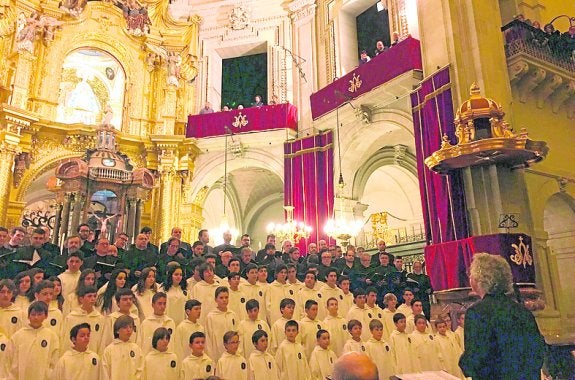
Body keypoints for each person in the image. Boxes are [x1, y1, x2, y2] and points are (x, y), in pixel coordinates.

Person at [459, 253, 546, 380]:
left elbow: (476, 358)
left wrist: (464, 364)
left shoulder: (477, 312)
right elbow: (538, 351)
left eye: (471, 274)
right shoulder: (522, 310)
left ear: (479, 279)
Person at [11, 301, 60, 380]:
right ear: (28, 316)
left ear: (46, 316)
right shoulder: (18, 336)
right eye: (33, 314)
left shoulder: (52, 336)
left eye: (39, 314)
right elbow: (11, 361)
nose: (36, 317)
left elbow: (54, 363)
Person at [61, 285, 106, 354]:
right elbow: (66, 340)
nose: (93, 299)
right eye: (89, 296)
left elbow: (102, 342)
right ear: (81, 299)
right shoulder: (72, 317)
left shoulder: (100, 319)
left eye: (94, 296)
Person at [102, 315, 144, 379]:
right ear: (117, 330)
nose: (129, 330)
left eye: (130, 327)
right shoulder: (109, 350)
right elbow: (105, 373)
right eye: (125, 327)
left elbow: (140, 370)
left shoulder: (136, 349)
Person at [206, 286, 238, 362]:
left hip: (232, 354)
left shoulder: (232, 315)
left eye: (226, 297)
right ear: (216, 299)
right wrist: (211, 360)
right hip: (217, 354)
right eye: (221, 298)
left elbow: (237, 334)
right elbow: (208, 340)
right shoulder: (211, 317)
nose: (224, 300)